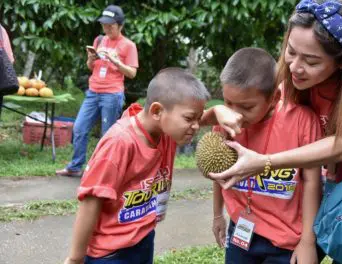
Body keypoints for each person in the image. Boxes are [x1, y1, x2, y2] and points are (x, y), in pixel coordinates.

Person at [209, 0, 342, 263]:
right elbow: (258, 107)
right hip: (335, 187)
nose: (295, 66)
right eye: (291, 51)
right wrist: (216, 112)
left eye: (310, 60)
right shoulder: (299, 78)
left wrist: (264, 163)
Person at [63, 68, 211, 264]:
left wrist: (221, 111)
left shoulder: (166, 131)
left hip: (143, 238)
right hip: (111, 253)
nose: (196, 126)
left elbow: (210, 115)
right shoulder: (119, 143)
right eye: (190, 119)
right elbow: (91, 201)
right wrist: (75, 258)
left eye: (198, 119)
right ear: (157, 111)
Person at [208, 47, 323, 264]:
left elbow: (311, 182)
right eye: (228, 103)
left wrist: (308, 241)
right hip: (241, 229)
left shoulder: (301, 121)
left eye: (246, 107)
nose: (234, 114)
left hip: (286, 238)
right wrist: (217, 215)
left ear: (274, 98)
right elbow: (219, 172)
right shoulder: (224, 123)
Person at [57, 5, 138, 177]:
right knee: (79, 128)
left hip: (112, 94)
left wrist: (116, 62)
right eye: (104, 25)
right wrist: (91, 58)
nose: (107, 28)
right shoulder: (99, 40)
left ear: (120, 25)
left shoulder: (128, 45)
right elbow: (90, 67)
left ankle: (104, 172)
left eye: (111, 25)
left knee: (107, 135)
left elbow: (132, 73)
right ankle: (75, 166)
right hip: (93, 92)